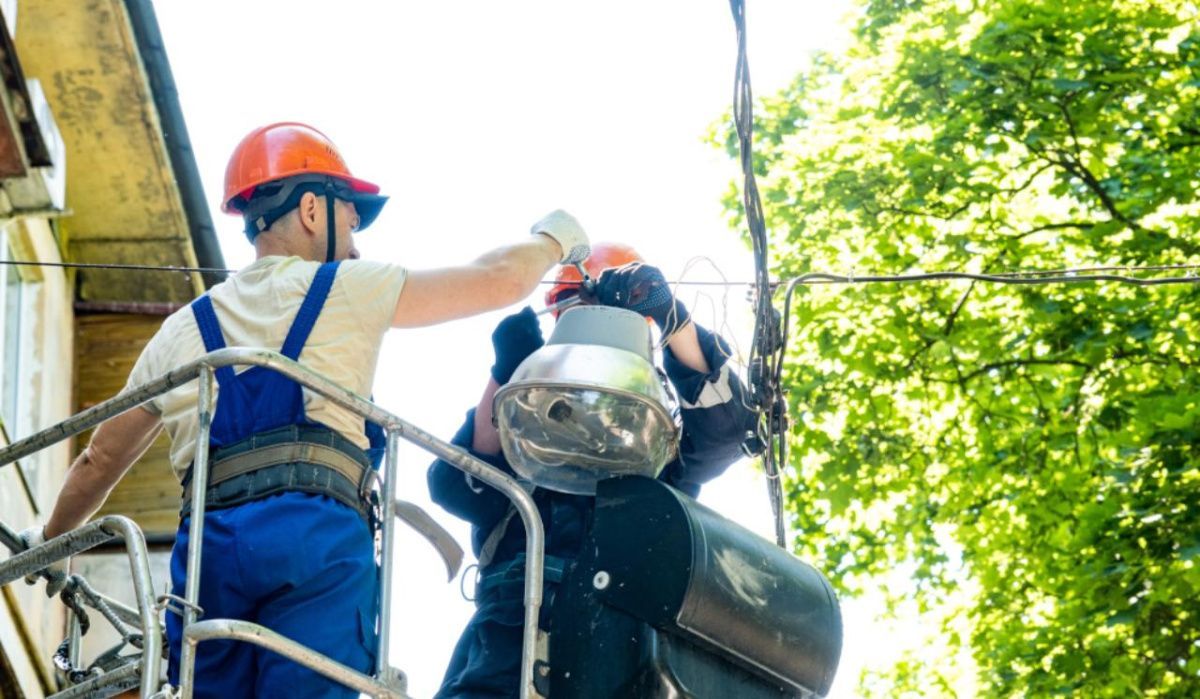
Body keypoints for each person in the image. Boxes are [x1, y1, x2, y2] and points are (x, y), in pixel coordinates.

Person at [18, 121, 590, 699]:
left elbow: (99, 458)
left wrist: (54, 545)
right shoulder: (348, 286)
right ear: (313, 210)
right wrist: (557, 238)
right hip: (316, 537)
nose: (357, 242)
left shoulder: (181, 331)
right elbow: (498, 279)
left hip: (210, 552)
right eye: (350, 219)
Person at [427, 242, 758, 698]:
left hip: (615, 634)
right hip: (508, 633)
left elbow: (726, 429)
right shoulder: (528, 418)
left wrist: (671, 318)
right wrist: (506, 373)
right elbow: (458, 486)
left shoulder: (657, 437)